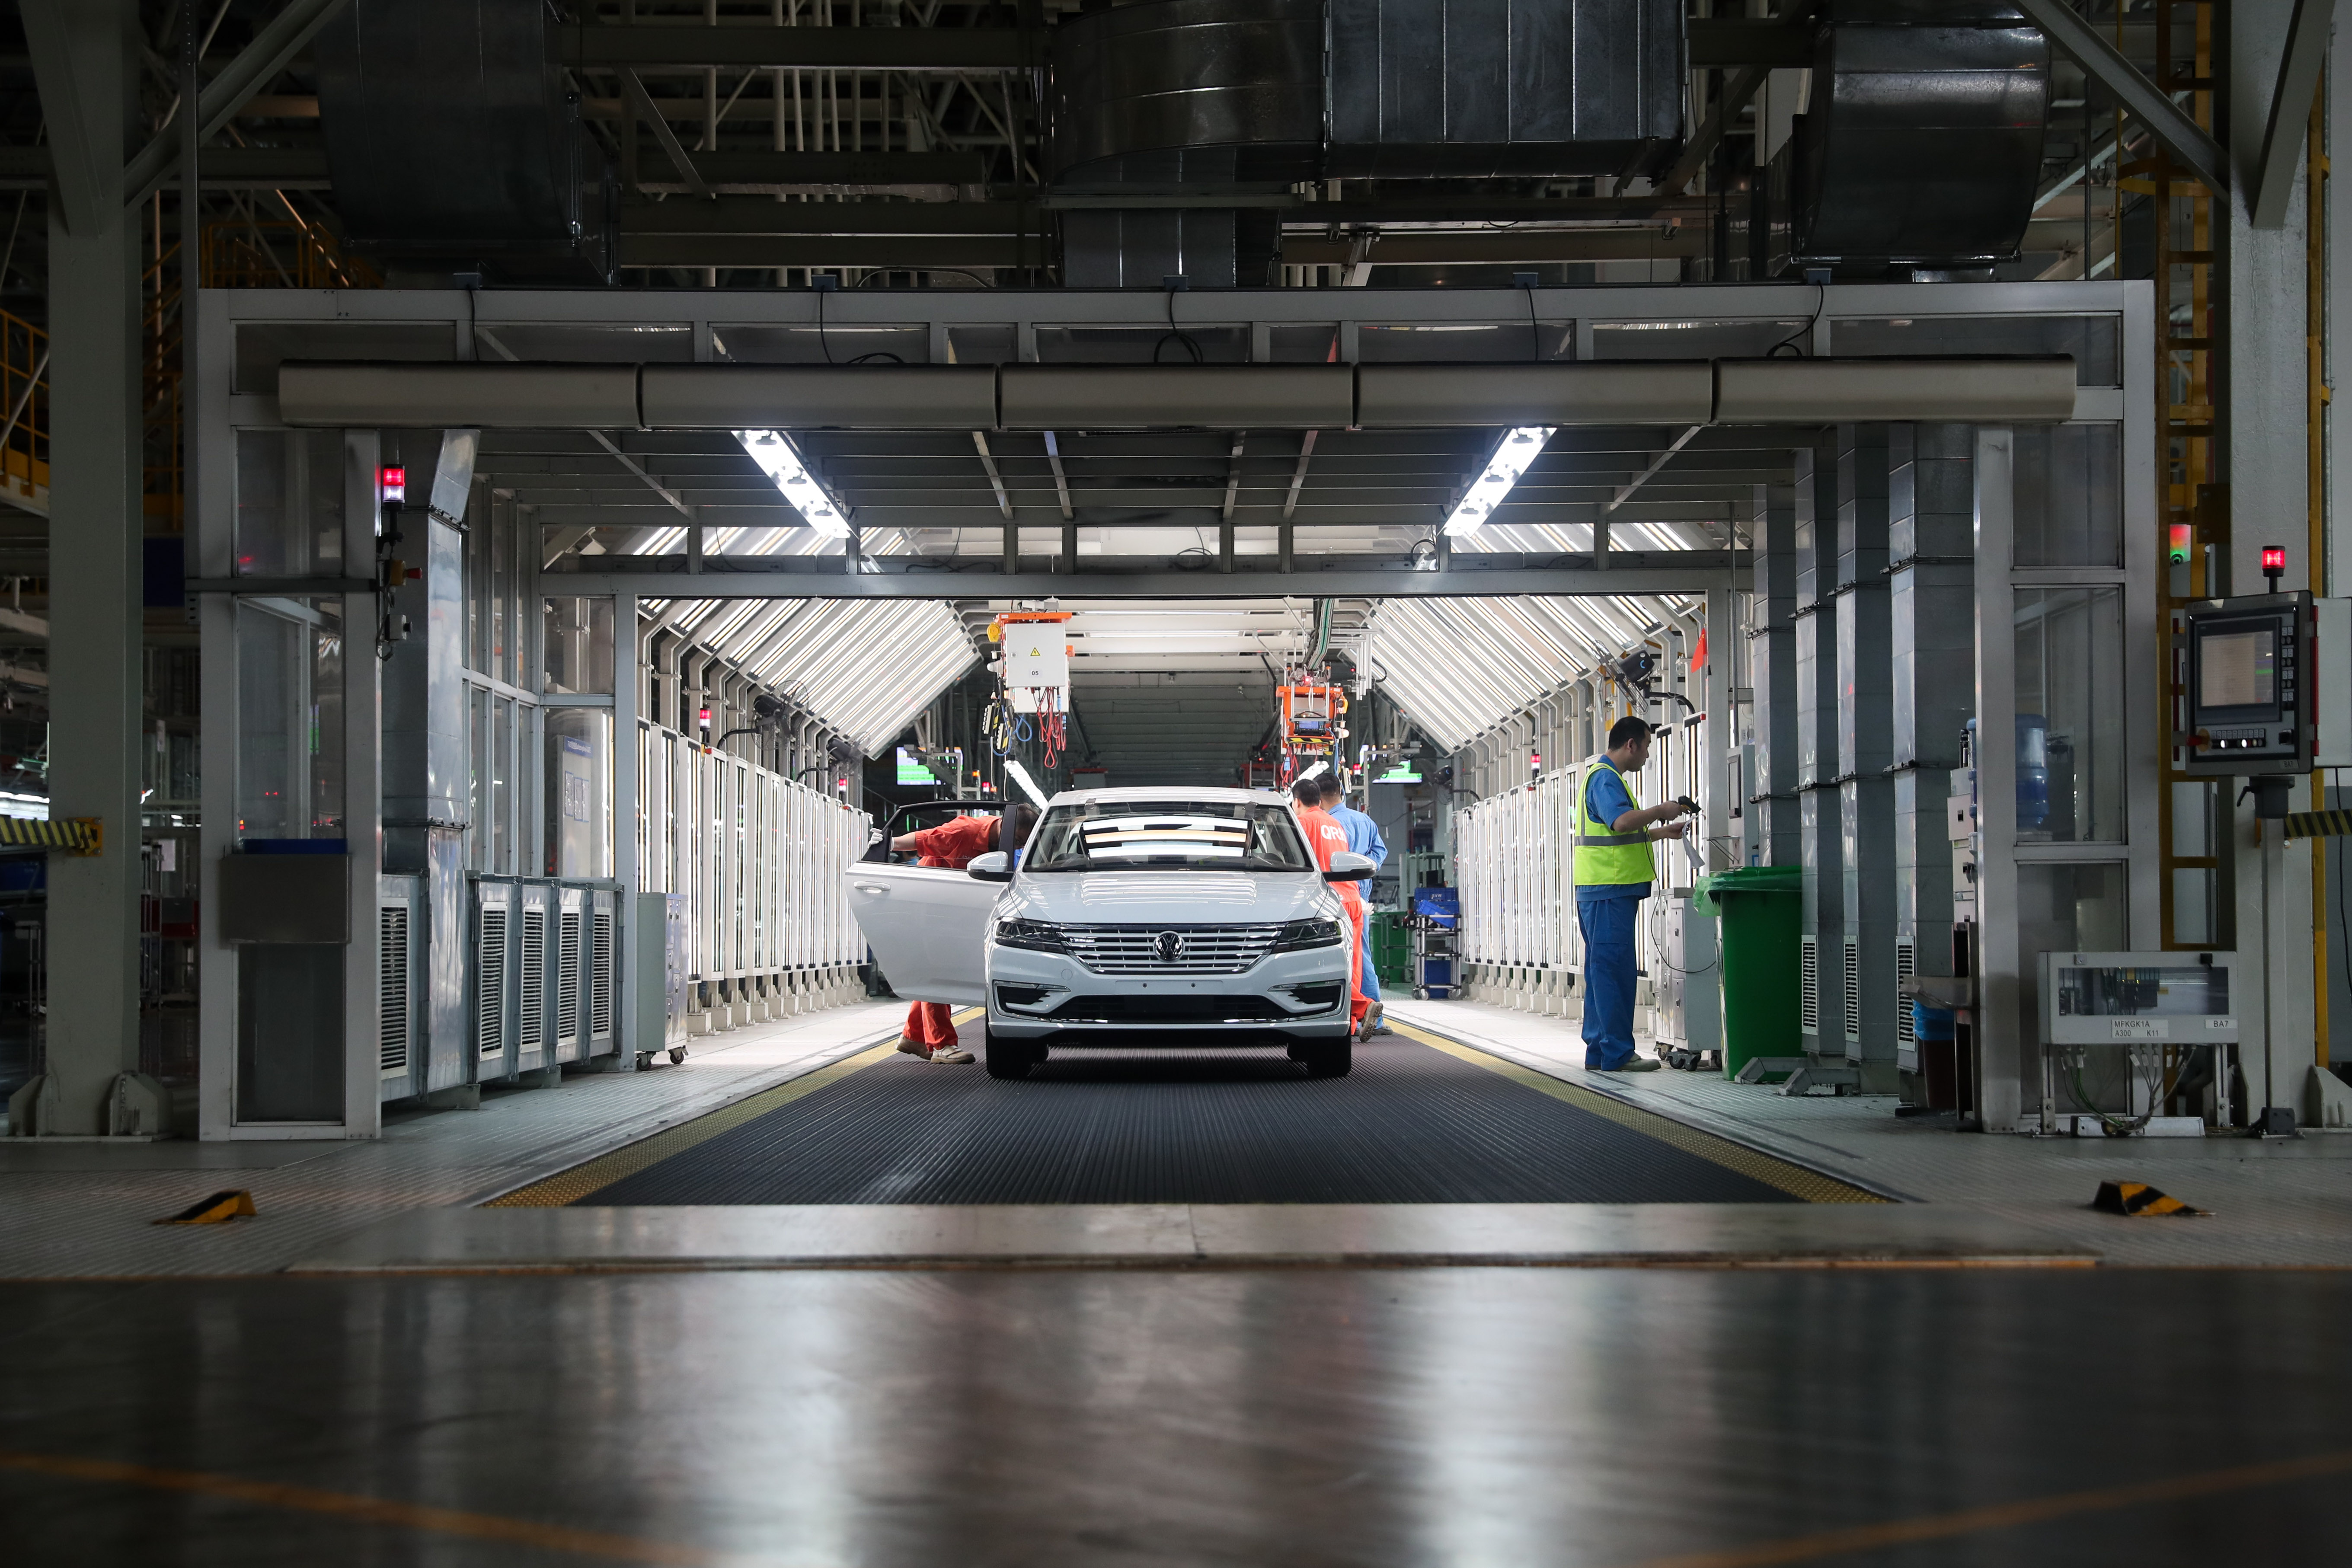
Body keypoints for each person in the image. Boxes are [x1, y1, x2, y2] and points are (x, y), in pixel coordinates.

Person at [1573, 717, 1694, 1073]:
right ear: (1631, 745)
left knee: (1601, 972)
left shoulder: (1602, 777)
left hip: (1602, 891)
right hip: (1609, 890)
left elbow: (1618, 835)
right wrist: (1661, 812)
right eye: (1646, 747)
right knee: (1614, 972)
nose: (1647, 755)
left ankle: (1599, 1051)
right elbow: (1622, 822)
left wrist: (1661, 834)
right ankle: (1618, 1053)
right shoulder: (1606, 778)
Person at [888, 802, 1038, 1063]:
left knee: (941, 968)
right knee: (937, 970)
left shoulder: (1003, 842)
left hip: (955, 908)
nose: (1017, 847)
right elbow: (922, 839)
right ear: (1004, 827)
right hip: (929, 904)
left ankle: (913, 1037)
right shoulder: (963, 831)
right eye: (1017, 840)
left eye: (1022, 844)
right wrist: (887, 843)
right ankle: (942, 1045)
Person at [1292, 776, 1372, 1037]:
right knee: (1354, 965)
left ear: (1297, 802)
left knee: (1326, 965)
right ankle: (1351, 1025)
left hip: (1329, 905)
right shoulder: (1334, 823)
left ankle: (1363, 1007)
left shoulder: (1303, 822)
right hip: (1353, 898)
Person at [1319, 774, 1389, 1033]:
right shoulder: (1364, 820)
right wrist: (1363, 874)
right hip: (1361, 898)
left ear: (1319, 798)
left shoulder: (1329, 824)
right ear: (1342, 793)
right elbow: (1380, 852)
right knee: (1362, 956)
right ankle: (1375, 1019)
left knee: (1336, 957)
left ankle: (1347, 1018)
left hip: (1337, 896)